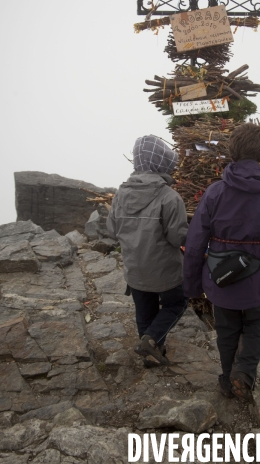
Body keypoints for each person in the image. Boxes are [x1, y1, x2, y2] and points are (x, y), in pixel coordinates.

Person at [183, 124, 260, 401]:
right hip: (255, 282)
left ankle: (226, 378)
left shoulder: (215, 193)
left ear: (232, 152)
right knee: (256, 324)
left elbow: (195, 243)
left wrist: (193, 286)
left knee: (226, 328)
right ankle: (243, 374)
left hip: (220, 279)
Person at [106, 134, 188, 366]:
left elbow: (112, 231)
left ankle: (151, 356)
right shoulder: (170, 198)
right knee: (177, 303)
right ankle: (152, 340)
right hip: (165, 272)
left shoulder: (120, 195)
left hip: (135, 271)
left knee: (144, 312)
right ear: (161, 162)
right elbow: (177, 237)